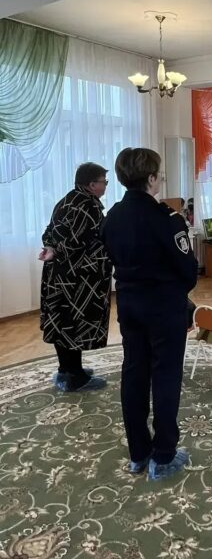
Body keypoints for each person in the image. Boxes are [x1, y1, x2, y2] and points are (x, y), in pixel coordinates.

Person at [101, 148, 198, 481]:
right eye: (159, 174)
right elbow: (188, 271)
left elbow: (110, 256)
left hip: (129, 305)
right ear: (152, 178)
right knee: (166, 376)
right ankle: (164, 455)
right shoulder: (167, 218)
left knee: (134, 372)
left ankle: (138, 453)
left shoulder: (112, 216)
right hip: (164, 308)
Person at [39, 162, 111, 393]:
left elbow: (50, 234)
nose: (105, 186)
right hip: (77, 279)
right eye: (103, 182)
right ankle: (75, 376)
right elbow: (79, 244)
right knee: (74, 324)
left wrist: (52, 249)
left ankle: (67, 369)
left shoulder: (66, 200)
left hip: (58, 275)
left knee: (63, 323)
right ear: (91, 184)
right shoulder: (87, 206)